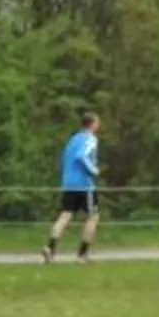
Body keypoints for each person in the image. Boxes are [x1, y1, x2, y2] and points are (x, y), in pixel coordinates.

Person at [42, 112, 100, 262]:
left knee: (65, 215)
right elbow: (82, 156)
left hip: (69, 184)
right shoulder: (90, 139)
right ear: (92, 124)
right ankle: (82, 254)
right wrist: (94, 170)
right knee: (93, 217)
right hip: (84, 185)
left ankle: (50, 247)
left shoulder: (72, 140)